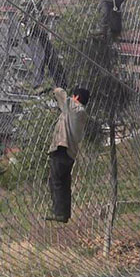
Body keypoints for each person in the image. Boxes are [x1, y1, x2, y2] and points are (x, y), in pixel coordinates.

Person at [46, 86, 90, 223]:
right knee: (64, 182)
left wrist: (55, 88)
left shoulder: (74, 109)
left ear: (76, 97)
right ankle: (64, 213)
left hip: (62, 149)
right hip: (70, 153)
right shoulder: (81, 114)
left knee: (56, 181)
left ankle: (59, 213)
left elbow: (62, 95)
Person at [19, 0, 67, 92]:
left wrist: (47, 18)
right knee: (39, 56)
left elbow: (40, 19)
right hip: (32, 34)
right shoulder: (28, 1)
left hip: (40, 34)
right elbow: (21, 17)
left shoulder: (38, 5)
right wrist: (33, 23)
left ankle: (61, 84)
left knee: (52, 57)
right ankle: (37, 85)